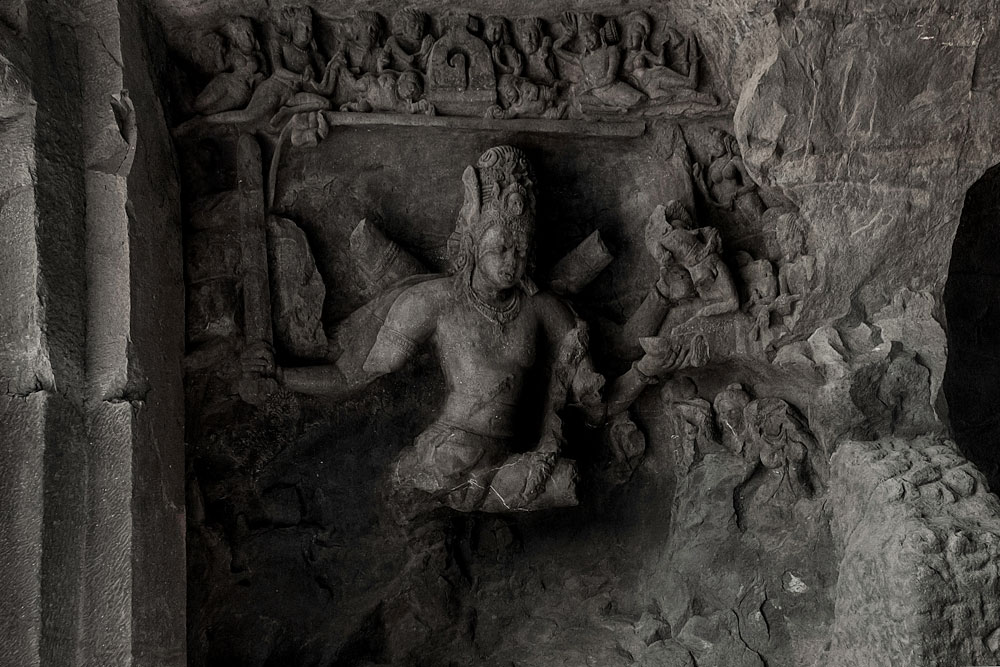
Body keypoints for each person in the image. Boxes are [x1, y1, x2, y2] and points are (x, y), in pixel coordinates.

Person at [244, 145, 701, 516]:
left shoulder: (544, 309)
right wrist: (282, 376)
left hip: (511, 468)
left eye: (521, 249)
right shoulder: (435, 302)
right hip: (445, 460)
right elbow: (351, 376)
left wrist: (654, 333)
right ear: (474, 239)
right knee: (425, 493)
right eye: (501, 246)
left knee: (570, 483)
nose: (511, 261)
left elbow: (596, 402)